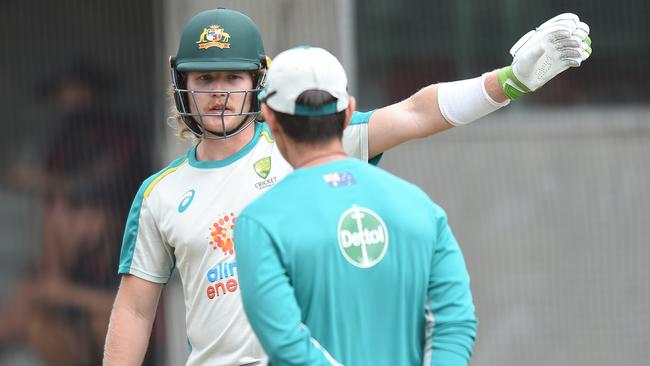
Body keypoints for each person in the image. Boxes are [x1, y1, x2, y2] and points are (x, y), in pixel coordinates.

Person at [103, 8, 591, 366]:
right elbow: (134, 308)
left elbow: (415, 113)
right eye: (204, 78)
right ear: (181, 86)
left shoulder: (307, 137)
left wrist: (509, 81)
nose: (220, 92)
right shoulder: (159, 194)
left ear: (260, 85)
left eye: (233, 75)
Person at [234, 45, 476, 366]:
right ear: (348, 112)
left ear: (269, 117)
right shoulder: (419, 206)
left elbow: (287, 342)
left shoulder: (260, 222)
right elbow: (454, 323)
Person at [0, 60, 153, 365]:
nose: (67, 98)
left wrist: (62, 292)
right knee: (37, 320)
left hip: (117, 328)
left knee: (102, 324)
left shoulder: (127, 244)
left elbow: (127, 308)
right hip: (71, 316)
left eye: (73, 90)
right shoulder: (63, 139)